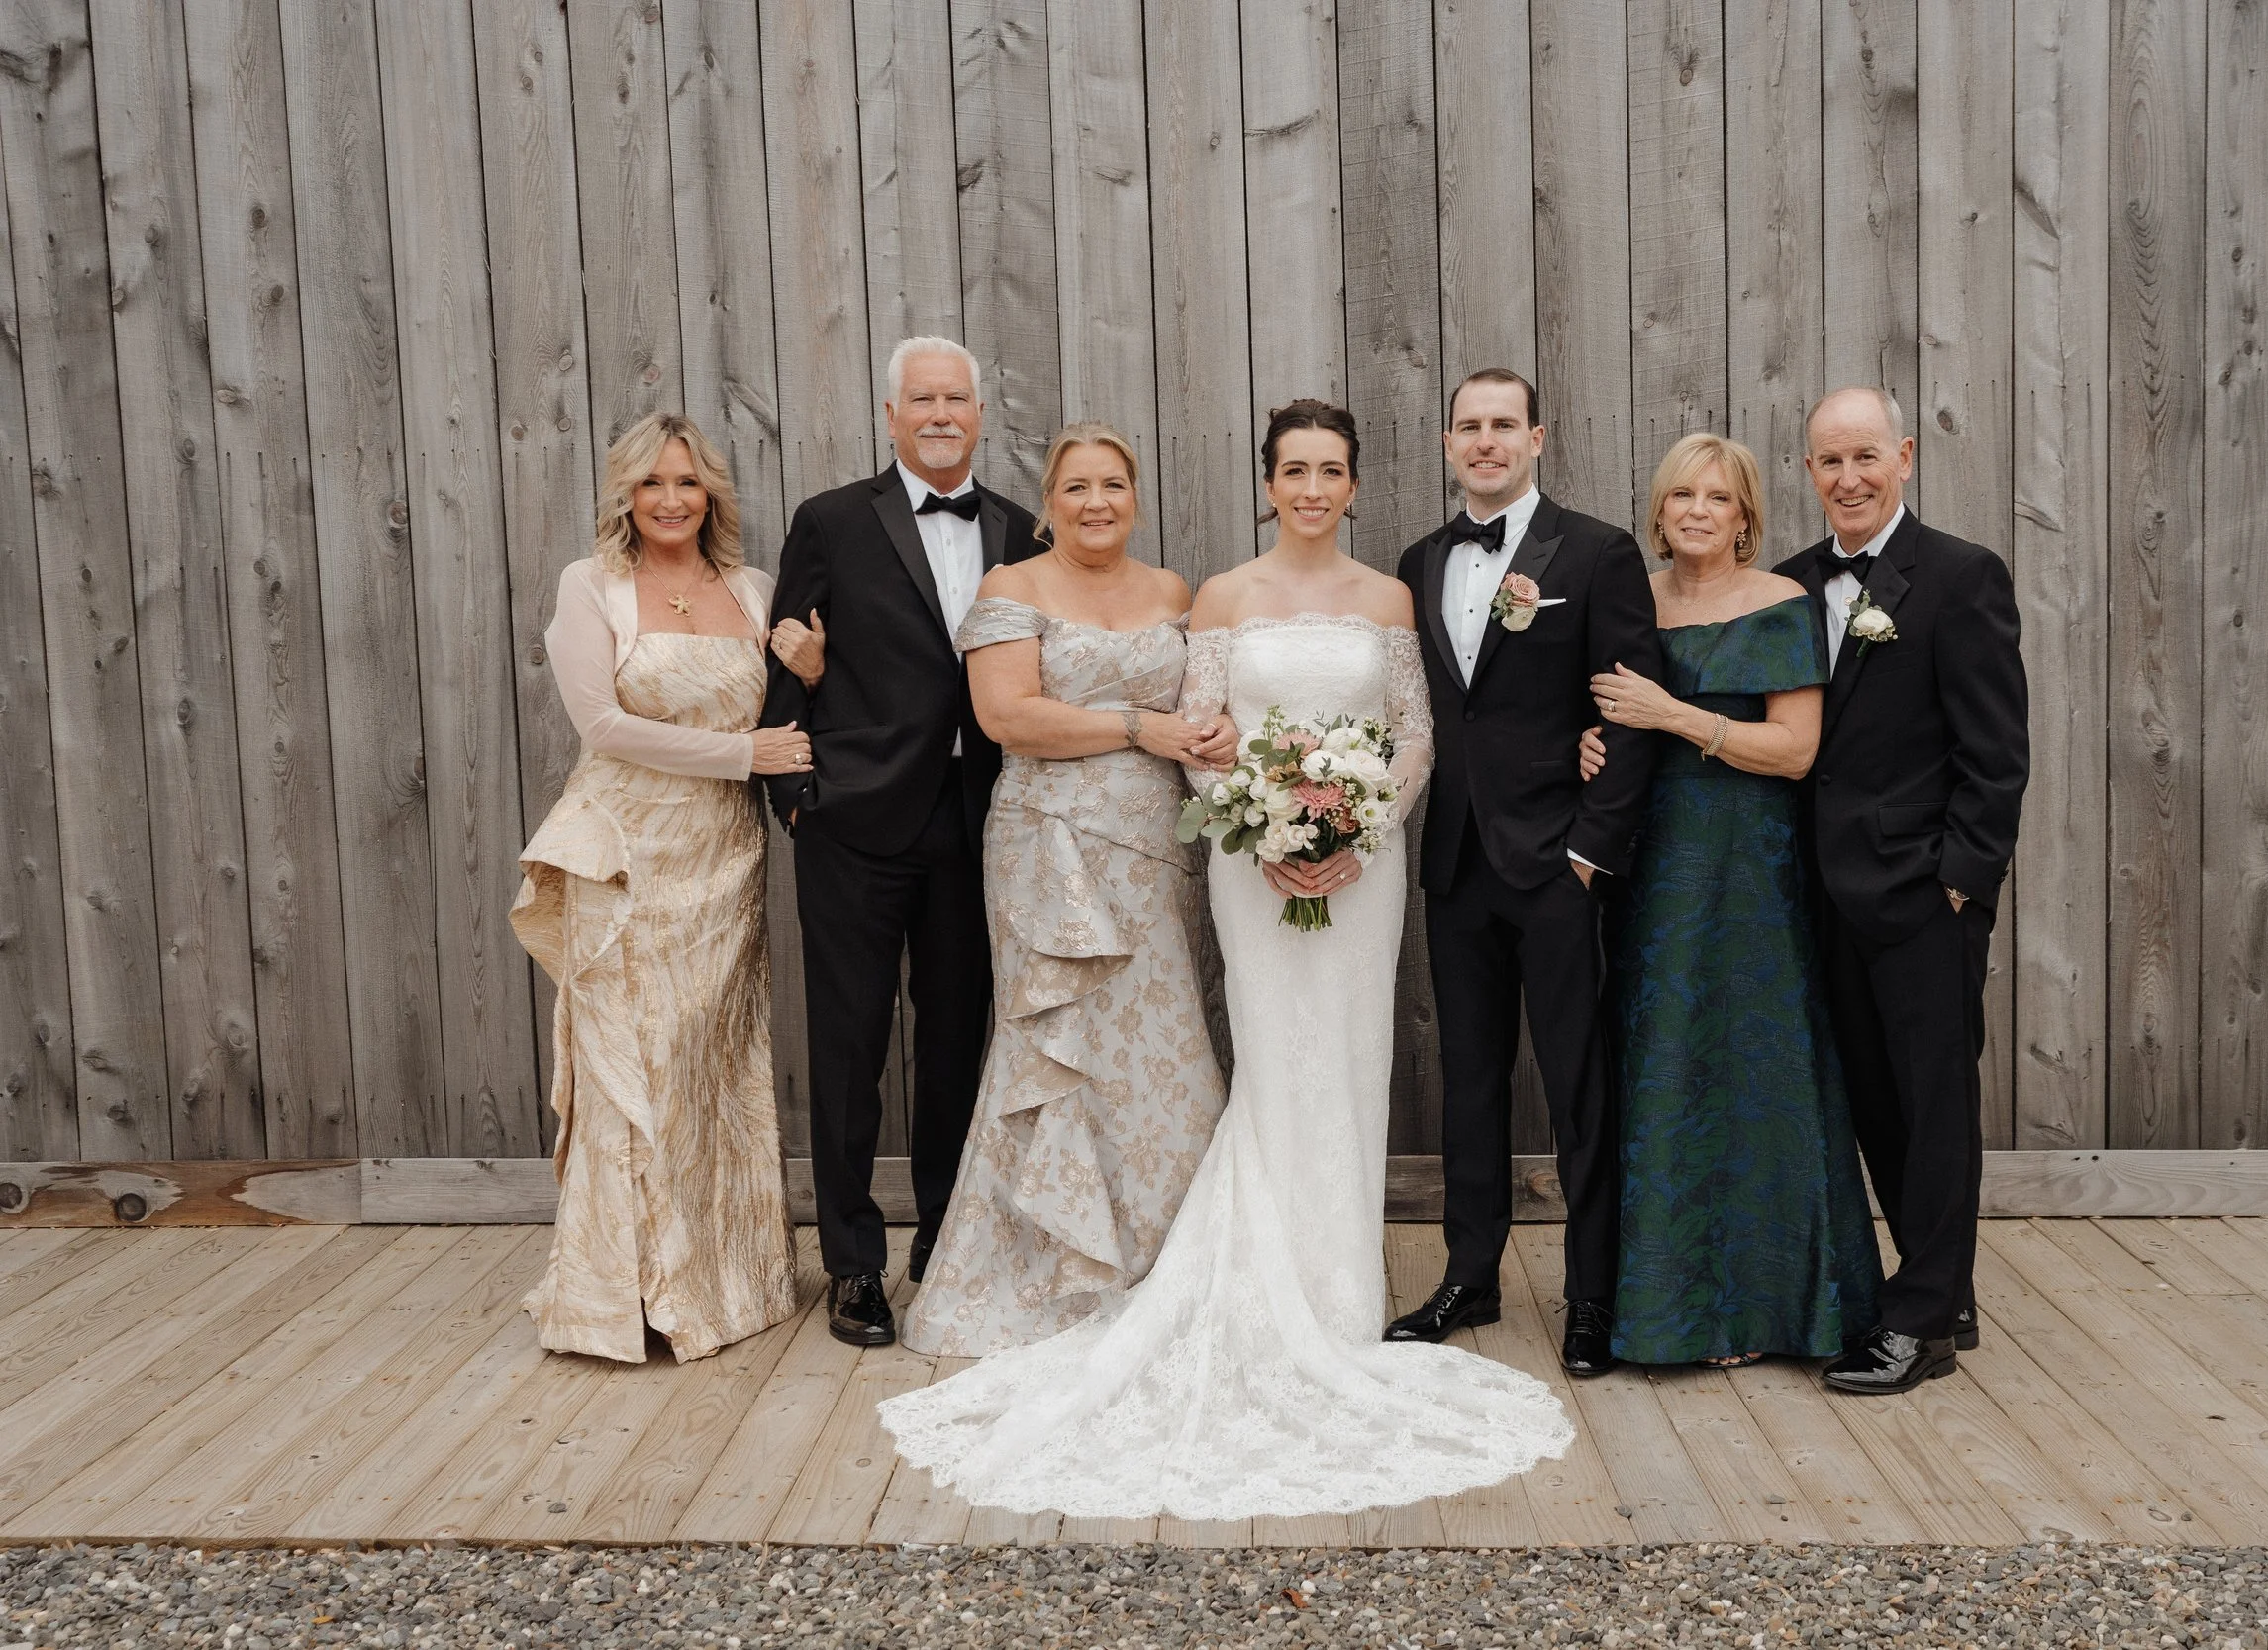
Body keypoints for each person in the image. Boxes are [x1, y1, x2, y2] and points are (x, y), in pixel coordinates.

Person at [874, 401, 1572, 1521]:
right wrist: (1259, 823)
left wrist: (1354, 828)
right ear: (1266, 480)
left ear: (1353, 485)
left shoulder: (1388, 597)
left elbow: (1415, 729)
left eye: (1329, 470)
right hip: (1250, 868)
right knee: (1266, 1057)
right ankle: (1258, 1274)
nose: (1310, 486)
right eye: (1292, 468)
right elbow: (1198, 729)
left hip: (1363, 869)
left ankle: (1339, 1290)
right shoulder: (1220, 598)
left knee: (1347, 1058)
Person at [900, 424, 1235, 1355]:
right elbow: (1006, 716)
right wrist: (1139, 724)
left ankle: (1166, 1264)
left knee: (1163, 1044)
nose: (1097, 503)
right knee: (1059, 1042)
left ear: (1135, 495)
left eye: (1114, 485)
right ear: (1049, 501)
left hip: (1156, 846)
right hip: (1049, 844)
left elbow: (1204, 705)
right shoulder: (1013, 587)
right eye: (1078, 487)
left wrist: (1214, 741)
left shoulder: (1173, 592)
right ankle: (1052, 1269)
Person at [1384, 368, 1666, 1379]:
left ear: (1537, 436)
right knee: (1468, 1081)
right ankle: (1470, 1275)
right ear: (1448, 440)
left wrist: (1590, 851)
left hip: (1556, 865)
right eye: (1469, 425)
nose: (1486, 440)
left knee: (1578, 1083)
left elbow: (1629, 709)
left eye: (1504, 424)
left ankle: (1595, 1294)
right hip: (1455, 863)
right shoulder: (1419, 560)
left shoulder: (1593, 552)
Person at [1577, 432, 1881, 1367]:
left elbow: (1794, 750)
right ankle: (1667, 1306)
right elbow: (1590, 712)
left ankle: (1765, 1308)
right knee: (1664, 1057)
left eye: (1718, 498)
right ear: (1659, 512)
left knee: (1756, 1070)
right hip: (1652, 869)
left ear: (1746, 514)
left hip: (1749, 871)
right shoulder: (1635, 601)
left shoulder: (1781, 604)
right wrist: (1584, 750)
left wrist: (1673, 716)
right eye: (1681, 497)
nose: (1697, 511)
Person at [760, 337, 1041, 1348]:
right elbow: (785, 657)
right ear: (890, 415)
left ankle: (948, 1242)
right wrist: (797, 794)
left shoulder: (1019, 525)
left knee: (962, 1042)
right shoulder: (831, 519)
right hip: (857, 823)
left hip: (981, 820)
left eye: (955, 397)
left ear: (978, 413)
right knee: (847, 1047)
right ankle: (853, 1264)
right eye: (920, 398)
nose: (938, 412)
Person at [510, 413, 804, 1362]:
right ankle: (622, 1297)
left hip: (725, 864)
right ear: (625, 496)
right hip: (626, 857)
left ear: (711, 491)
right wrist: (742, 752)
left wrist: (814, 667)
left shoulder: (754, 590)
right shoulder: (592, 587)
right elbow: (603, 724)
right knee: (629, 1067)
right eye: (651, 484)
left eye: (687, 482)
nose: (671, 500)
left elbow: (800, 707)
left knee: (707, 1071)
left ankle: (720, 1281)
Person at [1773, 387, 2029, 1395]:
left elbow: (1997, 752)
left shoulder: (1961, 577)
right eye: (1828, 461)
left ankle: (1919, 1320)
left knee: (1933, 1102)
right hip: (1822, 894)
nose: (1847, 477)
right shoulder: (1787, 585)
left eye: (1864, 457)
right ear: (1808, 473)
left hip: (1923, 893)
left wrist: (1962, 882)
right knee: (1874, 1100)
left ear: (1904, 457)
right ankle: (1944, 1283)